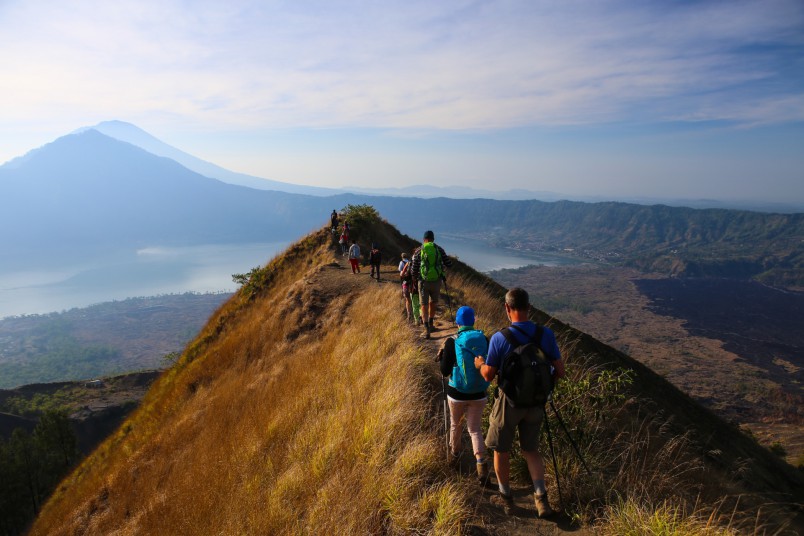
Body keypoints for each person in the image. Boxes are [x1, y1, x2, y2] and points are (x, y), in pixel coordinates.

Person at [475, 287, 566, 518]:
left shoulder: (500, 338)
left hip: (509, 403)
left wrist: (480, 364)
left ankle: (507, 499)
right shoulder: (545, 334)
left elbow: (488, 375)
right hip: (536, 404)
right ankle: (541, 500)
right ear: (529, 307)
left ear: (507, 308)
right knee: (531, 450)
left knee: (500, 450)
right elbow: (560, 371)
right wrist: (542, 387)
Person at [437, 306, 490, 483]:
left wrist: (443, 357)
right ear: (473, 321)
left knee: (455, 424)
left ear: (458, 322)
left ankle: (454, 455)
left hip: (457, 393)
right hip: (479, 392)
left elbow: (445, 371)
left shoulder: (452, 341)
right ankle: (481, 465)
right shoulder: (484, 338)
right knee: (475, 429)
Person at [410, 230, 452, 339]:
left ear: (424, 239)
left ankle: (426, 329)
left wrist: (416, 278)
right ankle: (432, 323)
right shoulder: (439, 249)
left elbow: (413, 270)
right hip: (437, 281)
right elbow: (449, 264)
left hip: (423, 282)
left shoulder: (419, 250)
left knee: (423, 304)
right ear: (433, 239)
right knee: (433, 302)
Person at [399, 253, 413, 321]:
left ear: (402, 257)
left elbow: (400, 271)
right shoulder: (412, 263)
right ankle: (417, 314)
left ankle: (409, 314)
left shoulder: (402, 262)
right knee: (414, 298)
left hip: (405, 281)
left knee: (407, 299)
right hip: (412, 283)